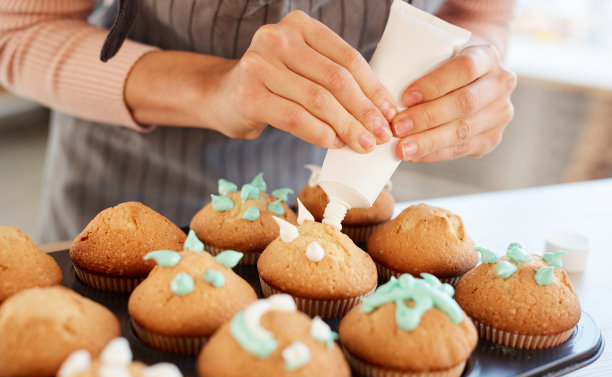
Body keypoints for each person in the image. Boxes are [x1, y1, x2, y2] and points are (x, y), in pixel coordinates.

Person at [0, 0, 516, 243]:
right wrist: (210, 87)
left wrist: (474, 68)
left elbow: (478, 12)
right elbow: (15, 29)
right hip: (121, 208)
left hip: (320, 220)